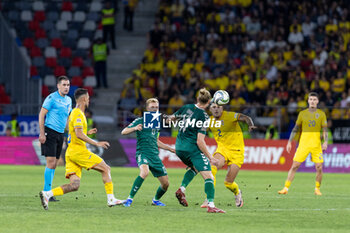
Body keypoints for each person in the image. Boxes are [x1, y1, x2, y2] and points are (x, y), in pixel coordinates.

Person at [39, 88, 124, 210]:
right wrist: (96, 143)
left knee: (74, 185)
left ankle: (47, 194)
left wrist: (86, 132)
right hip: (78, 151)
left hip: (70, 153)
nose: (89, 100)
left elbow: (70, 129)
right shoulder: (79, 113)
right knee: (106, 168)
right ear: (84, 99)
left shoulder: (74, 112)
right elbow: (78, 134)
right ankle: (111, 199)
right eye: (88, 98)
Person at [169, 88, 225, 213]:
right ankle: (211, 206)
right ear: (209, 101)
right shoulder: (204, 116)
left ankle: (182, 189)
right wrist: (211, 157)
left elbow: (170, 120)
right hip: (191, 149)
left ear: (197, 99)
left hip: (179, 148)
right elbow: (200, 141)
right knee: (209, 176)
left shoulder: (186, 107)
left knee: (194, 168)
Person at [200, 103, 256, 208]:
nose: (216, 109)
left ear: (222, 108)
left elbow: (245, 117)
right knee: (212, 167)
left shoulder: (230, 116)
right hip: (222, 149)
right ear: (210, 109)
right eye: (214, 107)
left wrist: (250, 124)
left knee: (228, 183)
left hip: (237, 152)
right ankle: (209, 198)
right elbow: (198, 133)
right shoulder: (209, 121)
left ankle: (237, 193)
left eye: (219, 107)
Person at [121, 98, 175, 207]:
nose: (155, 110)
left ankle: (155, 200)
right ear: (147, 109)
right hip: (143, 153)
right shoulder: (140, 120)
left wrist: (170, 149)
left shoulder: (156, 123)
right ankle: (129, 199)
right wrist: (135, 128)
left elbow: (156, 141)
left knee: (165, 184)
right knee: (144, 172)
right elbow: (123, 132)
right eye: (152, 107)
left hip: (154, 155)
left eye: (156, 107)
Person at [278, 92, 328, 196]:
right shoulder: (302, 114)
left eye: (315, 99)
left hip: (316, 145)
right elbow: (295, 129)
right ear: (308, 101)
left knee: (319, 167)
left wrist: (326, 142)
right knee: (295, 166)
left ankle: (317, 189)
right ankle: (285, 188)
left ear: (317, 101)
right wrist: (289, 142)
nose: (313, 101)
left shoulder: (322, 114)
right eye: (311, 99)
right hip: (303, 144)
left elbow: (325, 130)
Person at [39, 76, 72, 202]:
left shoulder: (68, 100)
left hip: (60, 134)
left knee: (55, 164)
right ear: (58, 86)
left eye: (68, 85)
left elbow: (67, 119)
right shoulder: (52, 98)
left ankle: (48, 193)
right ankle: (46, 192)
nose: (66, 87)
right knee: (51, 162)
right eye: (64, 85)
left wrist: (70, 133)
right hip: (49, 132)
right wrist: (42, 133)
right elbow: (42, 114)